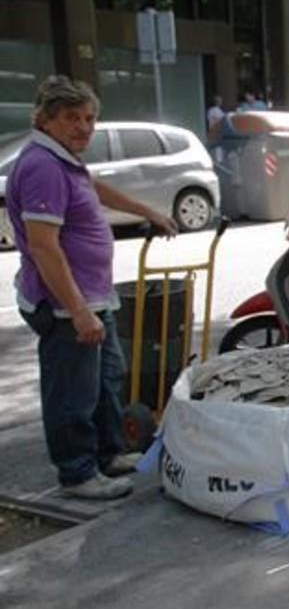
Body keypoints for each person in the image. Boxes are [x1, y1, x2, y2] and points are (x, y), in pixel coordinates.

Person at [6, 76, 178, 500]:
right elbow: (44, 247)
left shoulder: (64, 159)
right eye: (71, 118)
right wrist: (79, 311)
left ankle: (107, 453)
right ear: (46, 120)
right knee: (73, 392)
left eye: (89, 118)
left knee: (106, 382)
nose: (83, 127)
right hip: (67, 304)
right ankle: (77, 472)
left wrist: (145, 210)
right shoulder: (42, 167)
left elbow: (93, 187)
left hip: (93, 295)